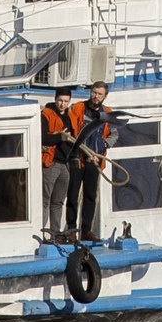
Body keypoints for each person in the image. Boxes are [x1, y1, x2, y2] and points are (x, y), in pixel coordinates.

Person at [67, 80, 116, 241]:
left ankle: (86, 230)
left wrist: (102, 146)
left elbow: (114, 135)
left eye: (100, 94)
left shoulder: (108, 113)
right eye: (94, 92)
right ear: (90, 92)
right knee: (73, 195)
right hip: (77, 158)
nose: (96, 96)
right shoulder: (77, 108)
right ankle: (71, 230)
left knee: (90, 196)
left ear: (105, 96)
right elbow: (70, 129)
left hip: (94, 160)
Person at [38, 86, 75, 240]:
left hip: (65, 164)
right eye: (60, 100)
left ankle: (56, 233)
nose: (62, 104)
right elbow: (42, 137)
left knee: (58, 201)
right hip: (51, 162)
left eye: (66, 101)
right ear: (55, 99)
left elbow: (75, 136)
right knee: (45, 200)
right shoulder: (45, 114)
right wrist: (60, 137)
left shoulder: (70, 116)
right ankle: (43, 233)